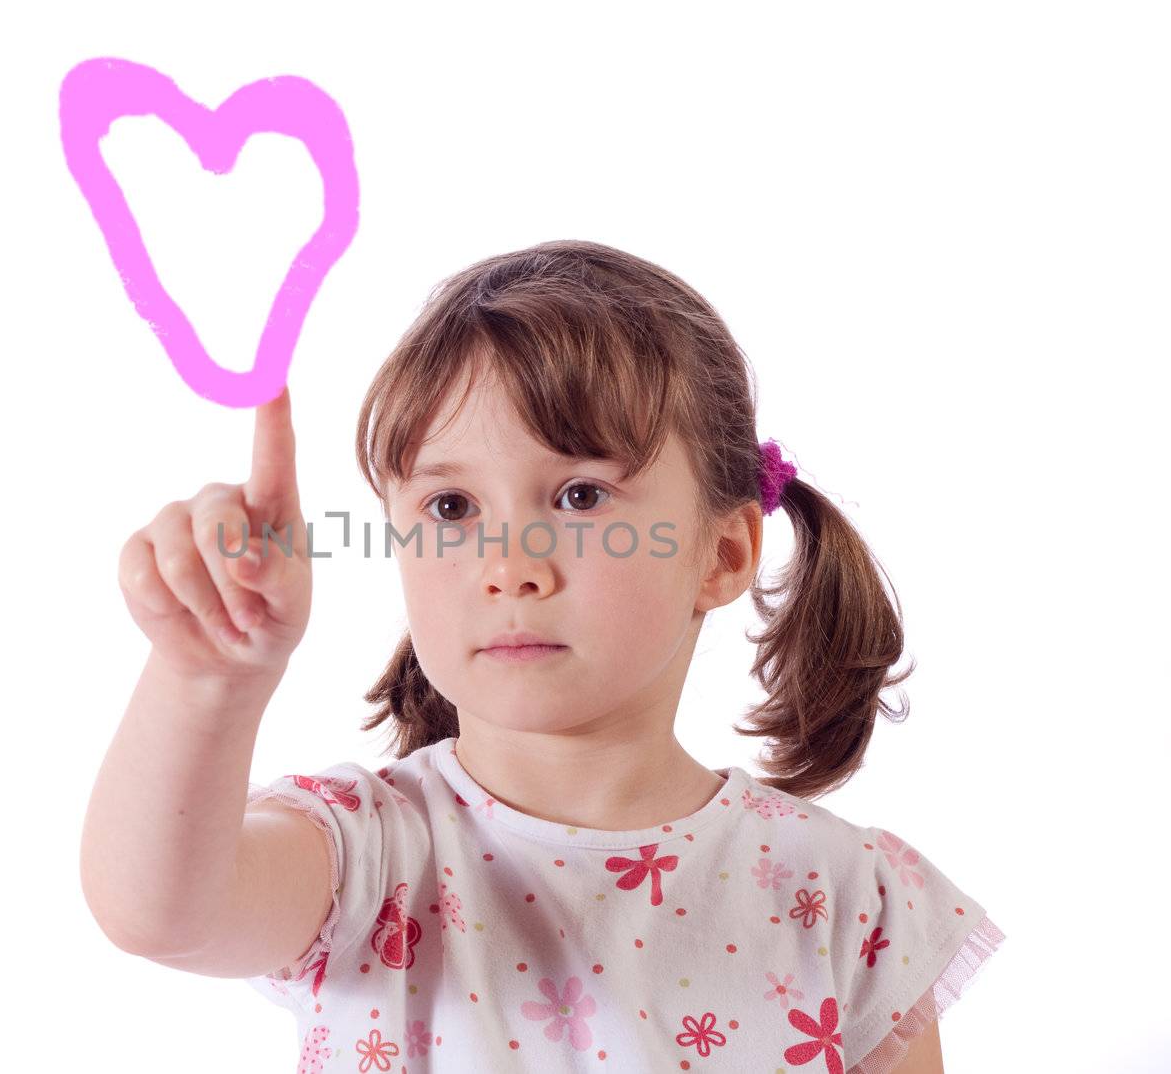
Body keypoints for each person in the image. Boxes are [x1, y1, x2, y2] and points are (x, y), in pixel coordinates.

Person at [80, 240, 1005, 1072]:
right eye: (452, 508)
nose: (508, 566)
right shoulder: (366, 857)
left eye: (579, 495)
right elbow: (158, 910)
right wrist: (209, 680)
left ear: (720, 555)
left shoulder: (848, 898)